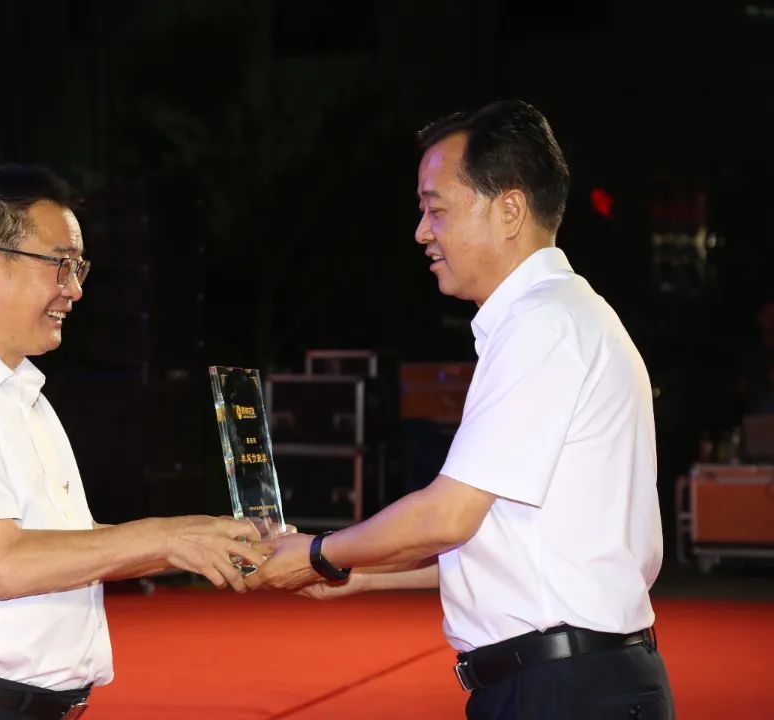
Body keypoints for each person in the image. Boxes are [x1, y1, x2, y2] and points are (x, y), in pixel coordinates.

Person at [250, 100, 675, 719]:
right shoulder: (562, 317)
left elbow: (448, 516)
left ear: (509, 210)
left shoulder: (543, 325)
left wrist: (321, 552)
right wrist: (359, 574)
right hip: (574, 679)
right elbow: (504, 540)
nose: (422, 232)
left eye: (437, 208)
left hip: (563, 689)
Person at [0, 163, 265, 720]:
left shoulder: (19, 390)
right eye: (60, 264)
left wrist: (200, 539)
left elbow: (70, 544)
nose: (74, 289)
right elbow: (4, 563)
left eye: (79, 267)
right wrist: (165, 538)